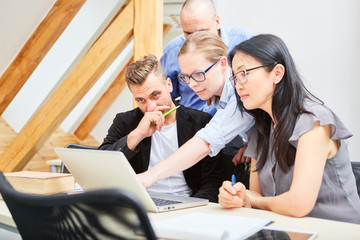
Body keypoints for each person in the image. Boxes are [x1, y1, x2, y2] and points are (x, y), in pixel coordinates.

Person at [218, 34, 360, 224]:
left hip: (339, 231)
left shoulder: (315, 122)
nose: (238, 86)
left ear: (277, 73)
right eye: (235, 77)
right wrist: (237, 196)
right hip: (289, 231)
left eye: (244, 73)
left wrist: (253, 200)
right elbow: (254, 195)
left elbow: (298, 204)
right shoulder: (260, 130)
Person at [98, 55, 226, 203]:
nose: (151, 107)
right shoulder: (125, 122)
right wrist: (137, 135)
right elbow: (102, 165)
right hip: (141, 202)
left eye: (155, 95)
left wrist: (191, 207)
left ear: (169, 85)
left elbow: (214, 181)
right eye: (141, 100)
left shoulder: (201, 122)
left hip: (189, 203)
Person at [138, 31, 254, 189]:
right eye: (186, 77)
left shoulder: (240, 91)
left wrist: (150, 176)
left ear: (222, 63)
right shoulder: (220, 98)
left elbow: (207, 141)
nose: (191, 84)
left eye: (198, 74)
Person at [161, 0, 252, 116]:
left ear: (217, 21)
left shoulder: (243, 40)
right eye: (188, 33)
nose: (196, 39)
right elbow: (166, 95)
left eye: (202, 32)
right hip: (192, 122)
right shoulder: (173, 50)